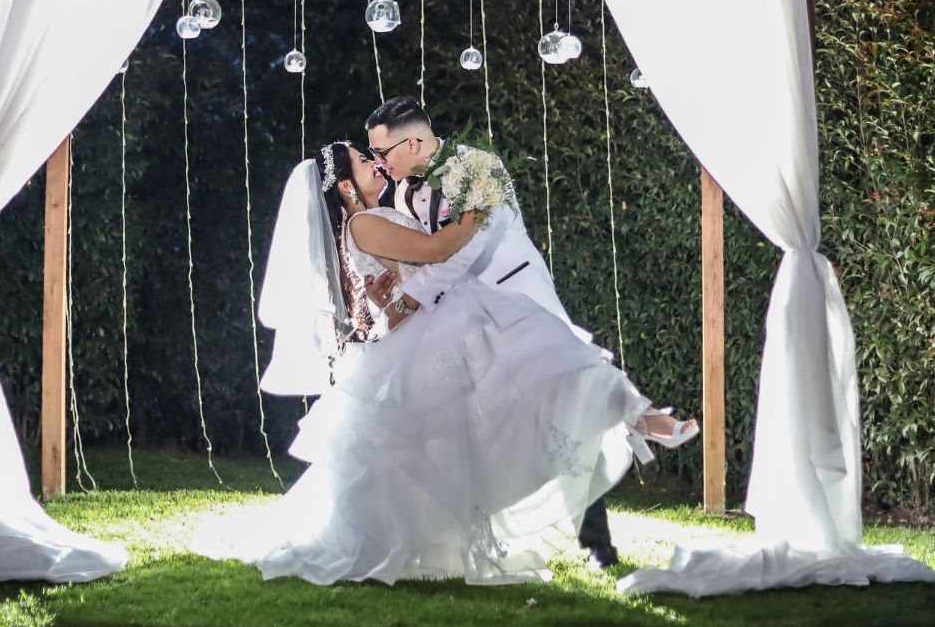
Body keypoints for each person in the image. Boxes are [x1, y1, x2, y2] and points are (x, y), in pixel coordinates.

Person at [191, 142, 697, 585]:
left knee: (540, 366)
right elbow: (435, 250)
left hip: (452, 315)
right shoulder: (364, 221)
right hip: (444, 326)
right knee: (535, 369)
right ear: (345, 186)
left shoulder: (377, 214)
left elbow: (399, 283)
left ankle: (638, 417)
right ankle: (636, 420)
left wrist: (393, 291)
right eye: (363, 161)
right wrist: (481, 207)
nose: (375, 163)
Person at [367, 96, 620, 569]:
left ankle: (597, 542)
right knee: (469, 425)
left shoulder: (480, 166)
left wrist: (411, 298)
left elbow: (465, 252)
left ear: (413, 142)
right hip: (461, 321)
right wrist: (394, 291)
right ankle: (476, 539)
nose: (380, 164)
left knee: (561, 415)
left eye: (383, 153)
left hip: (522, 303)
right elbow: (422, 259)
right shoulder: (402, 196)